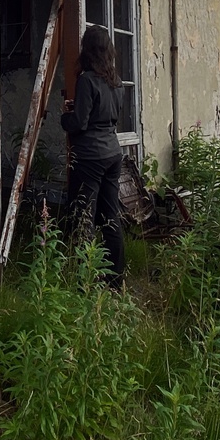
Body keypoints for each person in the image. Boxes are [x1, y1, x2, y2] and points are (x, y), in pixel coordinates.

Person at [61, 25, 125, 284]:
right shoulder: (116, 81)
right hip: (113, 153)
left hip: (90, 157)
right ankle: (116, 279)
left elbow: (80, 123)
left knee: (83, 216)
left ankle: (83, 279)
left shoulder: (87, 79)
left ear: (87, 50)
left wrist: (65, 117)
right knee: (111, 217)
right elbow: (107, 115)